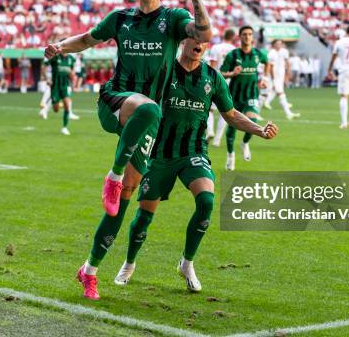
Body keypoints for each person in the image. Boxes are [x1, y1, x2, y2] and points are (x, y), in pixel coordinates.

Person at [45, 0, 212, 300]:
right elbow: (89, 39)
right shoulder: (120, 19)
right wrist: (60, 46)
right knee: (149, 107)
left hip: (145, 122)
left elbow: (205, 33)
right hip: (116, 102)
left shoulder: (173, 19)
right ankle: (114, 173)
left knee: (121, 203)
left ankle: (89, 270)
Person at [113, 38, 279, 292]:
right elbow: (138, 105)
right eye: (194, 38)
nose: (199, 44)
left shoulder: (212, 77)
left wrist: (259, 129)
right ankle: (129, 262)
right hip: (159, 154)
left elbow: (231, 115)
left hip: (194, 152)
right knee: (145, 215)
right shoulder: (164, 71)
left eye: (204, 40)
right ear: (183, 41)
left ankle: (187, 263)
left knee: (207, 202)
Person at [220, 26, 268, 171]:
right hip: (234, 96)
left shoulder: (258, 54)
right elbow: (221, 73)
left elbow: (267, 63)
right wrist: (232, 74)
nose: (247, 37)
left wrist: (263, 79)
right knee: (232, 127)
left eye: (250, 34)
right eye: (244, 34)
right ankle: (230, 156)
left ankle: (245, 143)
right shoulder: (233, 55)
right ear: (239, 37)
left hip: (252, 94)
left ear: (253, 37)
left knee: (252, 121)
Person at [206, 28, 235, 146]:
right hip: (230, 82)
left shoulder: (216, 48)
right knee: (227, 111)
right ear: (233, 37)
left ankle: (210, 131)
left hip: (216, 80)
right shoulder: (234, 50)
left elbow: (212, 65)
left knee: (209, 109)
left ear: (224, 35)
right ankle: (217, 140)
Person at [267, 39, 301, 121]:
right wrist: (273, 78)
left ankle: (288, 113)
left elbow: (287, 62)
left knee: (274, 93)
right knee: (278, 93)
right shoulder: (271, 53)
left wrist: (288, 73)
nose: (279, 45)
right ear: (273, 45)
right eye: (277, 43)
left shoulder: (284, 51)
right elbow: (270, 67)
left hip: (280, 76)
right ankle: (288, 113)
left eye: (280, 43)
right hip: (273, 76)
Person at [47, 51, 75, 135]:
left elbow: (71, 71)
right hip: (55, 86)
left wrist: (72, 79)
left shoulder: (71, 59)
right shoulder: (55, 58)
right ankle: (53, 102)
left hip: (65, 85)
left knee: (67, 104)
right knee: (56, 110)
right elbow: (44, 66)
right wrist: (47, 78)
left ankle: (64, 128)